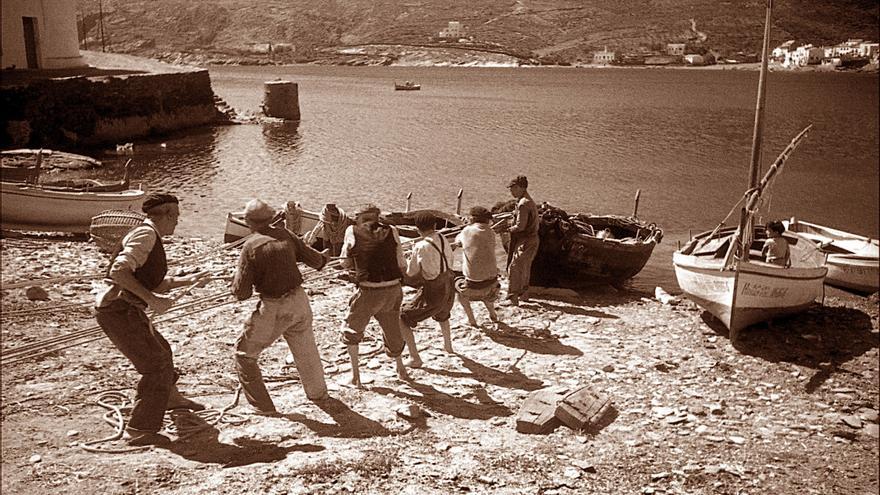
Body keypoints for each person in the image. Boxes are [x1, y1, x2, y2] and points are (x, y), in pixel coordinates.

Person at [95, 192, 209, 446]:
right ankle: (140, 429)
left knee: (163, 351)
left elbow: (155, 282)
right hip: (117, 311)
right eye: (176, 217)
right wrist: (154, 301)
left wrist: (189, 280)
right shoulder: (146, 235)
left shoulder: (150, 235)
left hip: (126, 309)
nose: (178, 223)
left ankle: (172, 399)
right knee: (156, 365)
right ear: (166, 215)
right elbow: (119, 272)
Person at [230, 199, 331, 416]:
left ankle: (263, 408)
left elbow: (242, 293)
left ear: (249, 222)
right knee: (306, 349)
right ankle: (318, 394)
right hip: (300, 301)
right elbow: (317, 262)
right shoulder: (285, 234)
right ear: (272, 217)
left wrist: (235, 280)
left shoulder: (251, 246)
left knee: (244, 355)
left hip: (274, 307)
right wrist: (325, 256)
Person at [339, 204, 410, 386]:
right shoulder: (392, 230)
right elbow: (401, 263)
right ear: (378, 217)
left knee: (351, 331)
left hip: (369, 291)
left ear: (360, 218)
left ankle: (355, 377)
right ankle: (400, 368)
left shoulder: (351, 230)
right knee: (392, 328)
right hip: (393, 289)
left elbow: (345, 263)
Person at [399, 212, 457, 366]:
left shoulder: (421, 245)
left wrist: (406, 257)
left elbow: (411, 273)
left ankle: (414, 357)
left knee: (402, 317)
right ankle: (448, 347)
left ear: (417, 229)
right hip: (449, 285)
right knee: (443, 313)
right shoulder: (443, 238)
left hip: (434, 290)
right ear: (435, 225)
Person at [452, 206, 500, 327]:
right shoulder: (491, 232)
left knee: (458, 289)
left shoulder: (467, 231)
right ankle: (492, 313)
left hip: (473, 285)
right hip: (493, 284)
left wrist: (466, 227)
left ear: (473, 218)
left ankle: (472, 320)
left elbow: (458, 240)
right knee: (485, 279)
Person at [499, 175, 540, 306]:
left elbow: (520, 226)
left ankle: (512, 297)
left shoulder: (523, 204)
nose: (511, 191)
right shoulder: (526, 201)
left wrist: (507, 229)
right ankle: (524, 295)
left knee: (514, 267)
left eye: (514, 188)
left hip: (526, 240)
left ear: (521, 187)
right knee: (525, 267)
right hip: (532, 239)